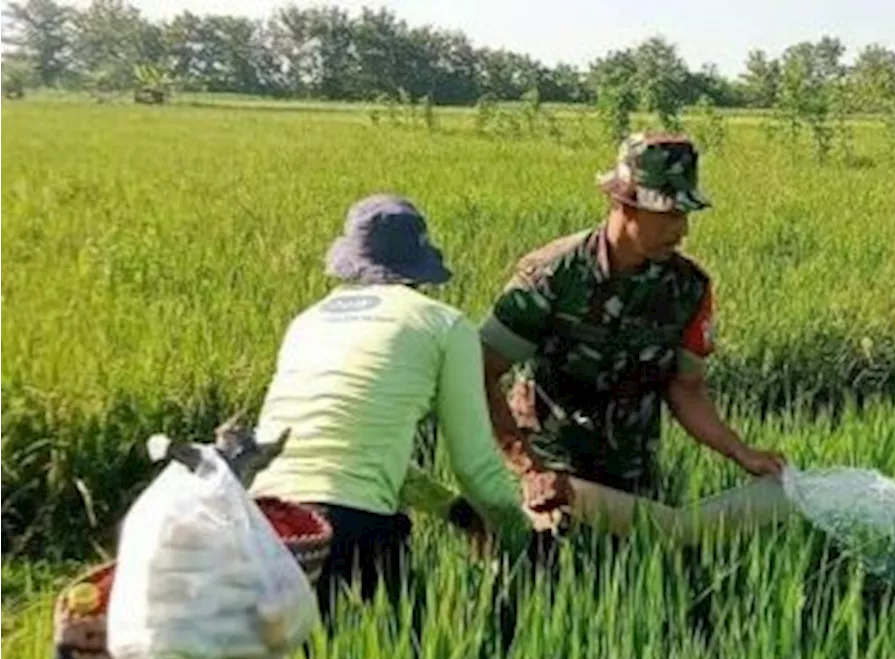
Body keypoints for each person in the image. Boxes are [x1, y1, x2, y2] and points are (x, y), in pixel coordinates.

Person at [248, 193, 539, 623]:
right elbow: (475, 462)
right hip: (351, 526)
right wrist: (518, 533)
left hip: (258, 521)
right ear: (419, 265)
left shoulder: (307, 321)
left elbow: (360, 452)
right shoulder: (442, 323)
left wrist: (455, 511)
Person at [478, 131, 786, 529]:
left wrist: (743, 454)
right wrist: (529, 468)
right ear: (622, 204)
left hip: (632, 476)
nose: (682, 230)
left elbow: (685, 388)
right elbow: (482, 372)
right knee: (543, 579)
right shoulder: (552, 277)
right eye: (670, 214)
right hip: (551, 475)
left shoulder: (688, 288)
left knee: (643, 576)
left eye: (685, 214)